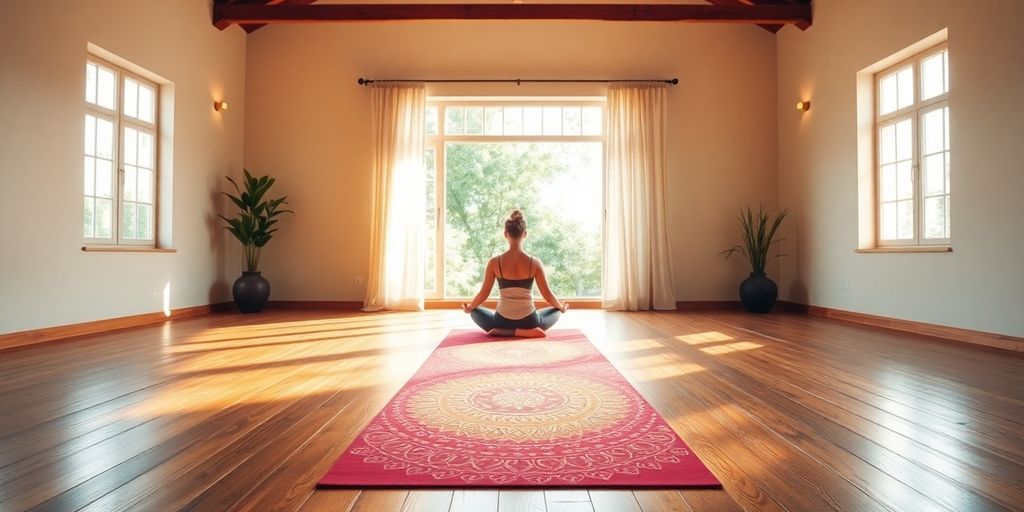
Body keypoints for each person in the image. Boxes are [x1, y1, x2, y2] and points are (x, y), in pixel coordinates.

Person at [462, 210, 568, 338]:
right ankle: (524, 331)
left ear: (505, 234)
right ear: (525, 234)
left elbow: (484, 294)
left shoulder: (494, 262)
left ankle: (506, 331)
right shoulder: (535, 262)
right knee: (555, 311)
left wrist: (470, 307)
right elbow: (547, 294)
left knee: (475, 312)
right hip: (530, 322)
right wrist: (561, 307)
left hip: (501, 322)